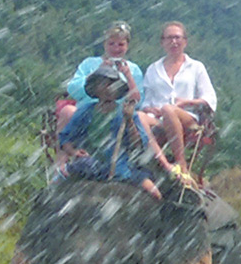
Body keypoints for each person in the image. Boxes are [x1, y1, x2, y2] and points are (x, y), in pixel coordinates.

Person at [54, 63, 168, 202]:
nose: (107, 89)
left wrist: (129, 121)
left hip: (120, 165)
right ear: (95, 89)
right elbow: (65, 138)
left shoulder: (127, 114)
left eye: (111, 85)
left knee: (154, 193)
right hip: (90, 163)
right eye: (102, 85)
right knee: (59, 180)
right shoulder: (85, 111)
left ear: (118, 89)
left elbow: (138, 145)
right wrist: (74, 152)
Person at [140, 21, 218, 164]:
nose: (174, 42)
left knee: (169, 109)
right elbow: (147, 101)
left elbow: (210, 98)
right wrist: (149, 109)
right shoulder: (153, 69)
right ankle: (161, 162)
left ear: (185, 42)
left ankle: (180, 163)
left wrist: (187, 102)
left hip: (186, 117)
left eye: (177, 38)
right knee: (139, 116)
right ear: (162, 42)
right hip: (160, 119)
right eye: (169, 38)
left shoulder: (196, 67)